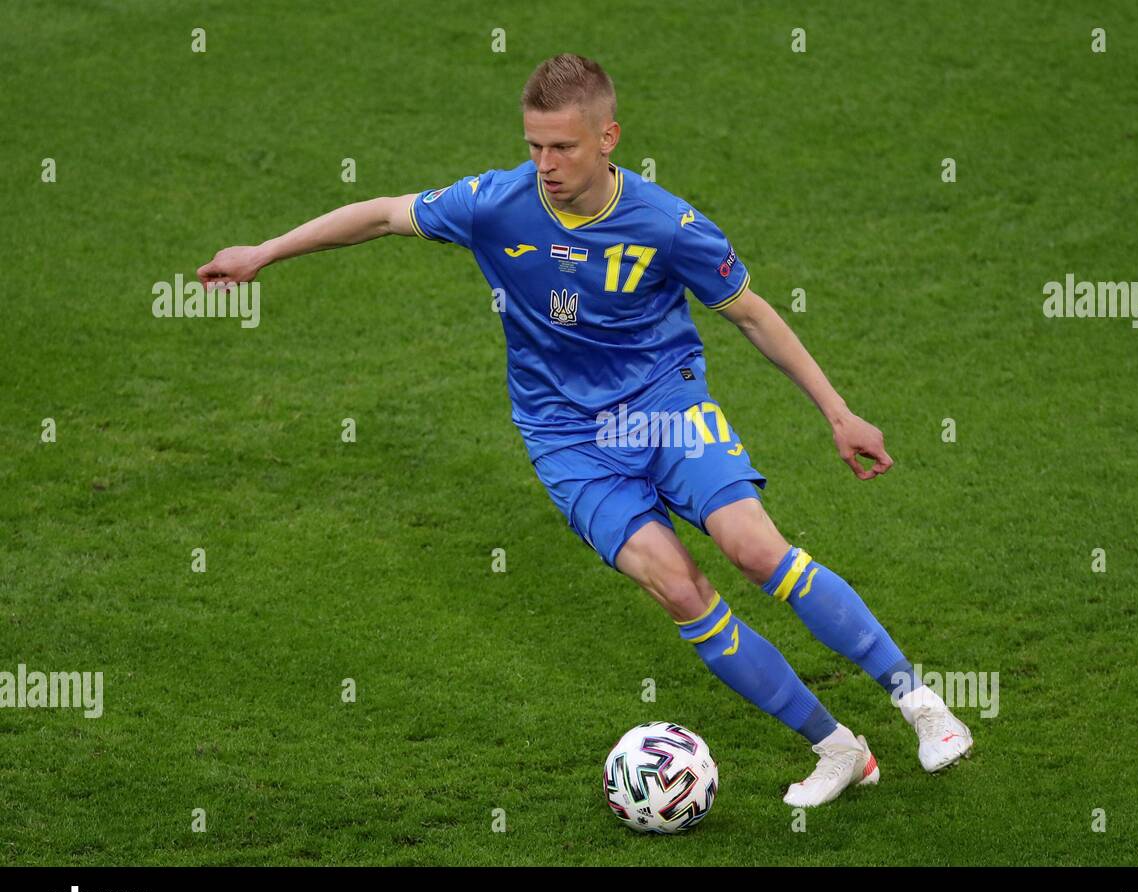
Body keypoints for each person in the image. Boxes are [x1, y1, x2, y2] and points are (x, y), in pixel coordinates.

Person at [198, 53, 973, 808]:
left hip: (664, 407)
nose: (545, 163)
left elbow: (751, 314)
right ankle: (837, 747)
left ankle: (919, 704)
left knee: (754, 549)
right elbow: (380, 214)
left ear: (608, 139)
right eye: (534, 145)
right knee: (680, 590)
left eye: (562, 146)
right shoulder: (496, 204)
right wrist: (266, 251)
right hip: (565, 437)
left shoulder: (668, 224)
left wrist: (838, 413)